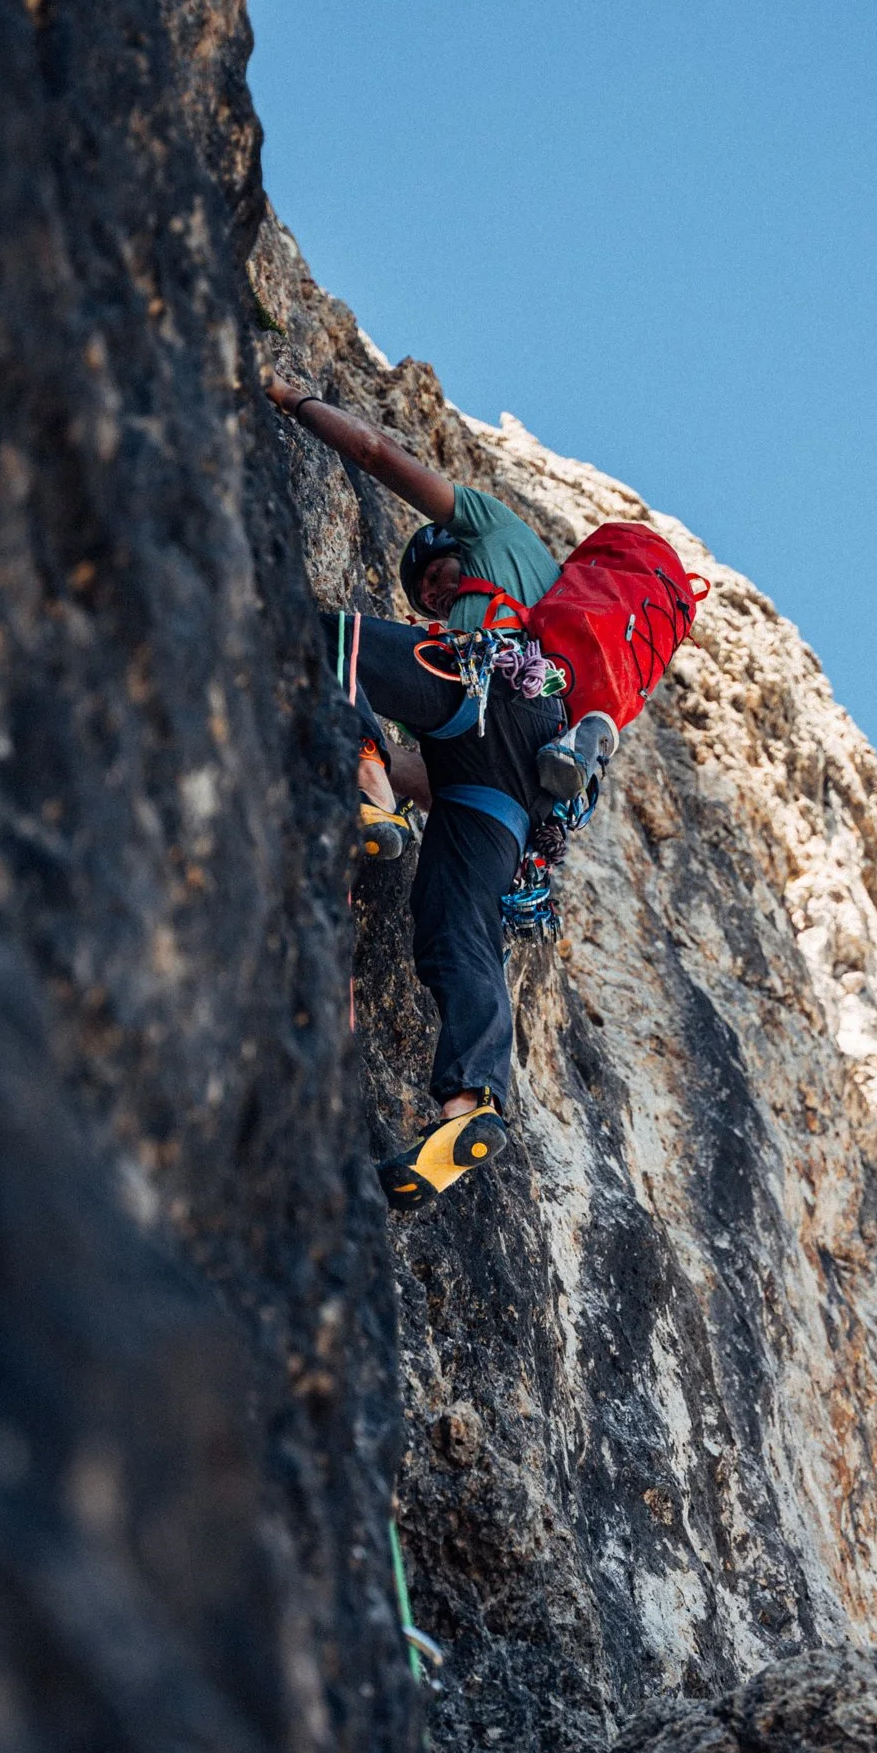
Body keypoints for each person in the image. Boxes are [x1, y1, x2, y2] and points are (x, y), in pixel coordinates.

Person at [266, 373, 614, 1211]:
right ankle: (470, 1104)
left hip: (489, 687)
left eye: (436, 574)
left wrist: (288, 398)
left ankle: (366, 788)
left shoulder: (499, 531)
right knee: (456, 929)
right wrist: (398, 787)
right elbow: (442, 776)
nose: (430, 594)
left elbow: (376, 452)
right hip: (516, 781)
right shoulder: (565, 645)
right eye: (420, 595)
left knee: (325, 638)